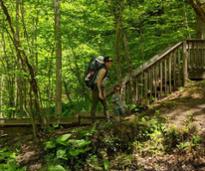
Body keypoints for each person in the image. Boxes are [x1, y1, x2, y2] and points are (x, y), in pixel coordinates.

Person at [90, 56, 113, 123]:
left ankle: (108, 120)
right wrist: (100, 92)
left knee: (105, 104)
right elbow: (98, 81)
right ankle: (93, 122)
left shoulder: (106, 70)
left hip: (100, 88)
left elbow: (103, 83)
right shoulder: (103, 70)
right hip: (96, 88)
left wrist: (104, 91)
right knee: (94, 104)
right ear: (105, 63)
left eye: (111, 62)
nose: (110, 63)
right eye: (108, 62)